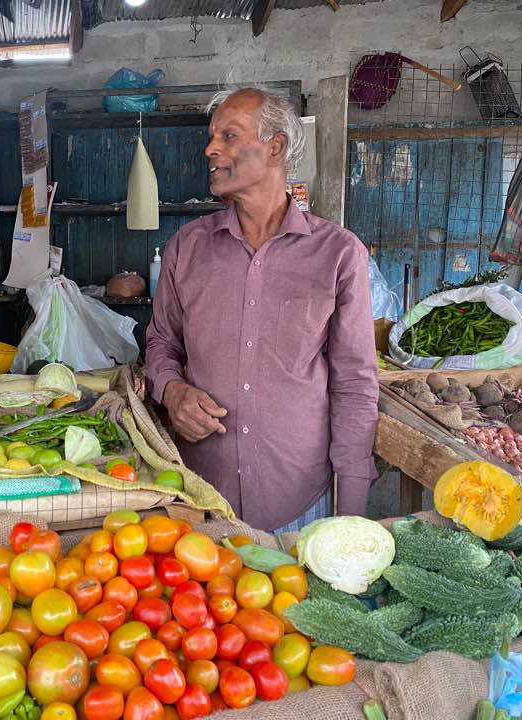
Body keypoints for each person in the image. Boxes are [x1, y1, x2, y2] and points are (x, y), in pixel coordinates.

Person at [145, 87, 379, 532]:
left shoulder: (338, 254)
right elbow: (161, 343)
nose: (211, 149)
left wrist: (350, 513)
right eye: (213, 137)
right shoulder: (186, 249)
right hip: (199, 501)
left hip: (298, 505)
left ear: (275, 148)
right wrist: (172, 391)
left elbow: (354, 384)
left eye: (229, 136)